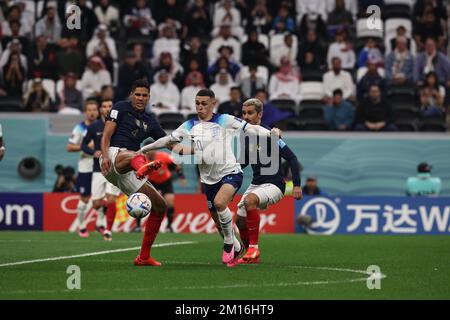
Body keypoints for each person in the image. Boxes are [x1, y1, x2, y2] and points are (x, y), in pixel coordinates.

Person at [140, 89, 281, 267]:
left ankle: (230, 243)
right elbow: (168, 140)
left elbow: (251, 128)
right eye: (197, 103)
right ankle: (236, 246)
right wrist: (144, 149)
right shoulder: (189, 125)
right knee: (218, 223)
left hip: (231, 172)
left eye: (204, 103)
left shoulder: (225, 120)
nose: (200, 107)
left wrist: (271, 133)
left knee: (221, 203)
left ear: (213, 103)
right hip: (208, 180)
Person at [100, 79, 181, 266]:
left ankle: (144, 257)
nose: (141, 98)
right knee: (135, 154)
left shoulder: (150, 121)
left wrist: (195, 150)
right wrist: (104, 156)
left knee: (160, 205)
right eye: (138, 94)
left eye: (144, 95)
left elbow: (170, 144)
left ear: (149, 97)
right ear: (131, 95)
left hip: (130, 168)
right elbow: (106, 135)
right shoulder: (120, 107)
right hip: (113, 156)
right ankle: (141, 165)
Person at [235, 98, 302, 264]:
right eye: (244, 113)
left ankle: (253, 249)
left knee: (250, 201)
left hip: (275, 185)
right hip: (256, 184)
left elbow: (292, 158)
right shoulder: (246, 136)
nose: (246, 117)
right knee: (240, 220)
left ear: (260, 114)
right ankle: (249, 255)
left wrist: (297, 185)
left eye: (250, 113)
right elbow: (244, 162)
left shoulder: (270, 134)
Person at [81, 99, 120, 241]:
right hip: (98, 169)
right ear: (100, 110)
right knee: (96, 204)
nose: (107, 109)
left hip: (114, 168)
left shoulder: (120, 125)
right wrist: (93, 152)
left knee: (111, 200)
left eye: (110, 106)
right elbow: (83, 145)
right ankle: (101, 215)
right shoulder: (93, 127)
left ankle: (108, 230)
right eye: (104, 106)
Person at [67, 100, 99, 238]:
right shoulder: (79, 128)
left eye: (94, 110)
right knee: (84, 198)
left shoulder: (103, 126)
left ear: (98, 112)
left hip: (100, 166)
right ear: (86, 112)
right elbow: (69, 147)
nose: (92, 112)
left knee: (102, 197)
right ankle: (82, 226)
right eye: (89, 110)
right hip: (85, 167)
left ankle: (101, 225)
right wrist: (85, 146)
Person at [145, 150, 187, 233]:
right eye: (148, 152)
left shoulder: (163, 156)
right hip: (152, 182)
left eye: (152, 151)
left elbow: (177, 166)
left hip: (165, 181)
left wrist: (181, 177)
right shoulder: (143, 159)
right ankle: (138, 226)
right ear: (146, 152)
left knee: (170, 202)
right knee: (144, 202)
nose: (151, 153)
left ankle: (169, 226)